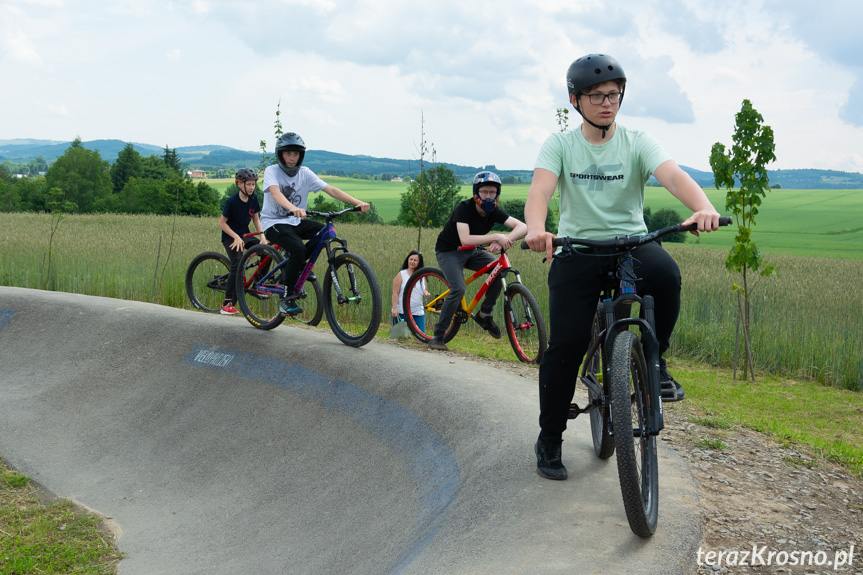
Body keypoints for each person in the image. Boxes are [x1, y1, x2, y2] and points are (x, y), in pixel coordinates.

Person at [523, 54, 722, 481]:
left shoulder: (636, 141)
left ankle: (657, 358)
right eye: (596, 96)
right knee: (567, 345)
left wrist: (703, 207)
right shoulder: (560, 144)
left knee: (666, 275)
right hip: (577, 247)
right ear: (575, 100)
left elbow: (672, 176)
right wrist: (538, 230)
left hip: (631, 243)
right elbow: (540, 191)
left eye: (613, 94)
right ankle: (550, 437)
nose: (606, 103)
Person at [260, 132, 370, 315]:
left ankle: (299, 267)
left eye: (296, 154)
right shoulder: (272, 171)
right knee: (298, 249)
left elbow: (331, 190)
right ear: (280, 154)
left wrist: (357, 202)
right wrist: (293, 207)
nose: (292, 158)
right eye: (288, 153)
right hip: (273, 223)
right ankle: (286, 300)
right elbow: (275, 193)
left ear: (301, 155)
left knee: (324, 231)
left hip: (295, 221)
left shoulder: (305, 173)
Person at [428, 171, 528, 351]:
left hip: (472, 251)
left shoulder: (494, 212)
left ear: (497, 194)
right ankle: (437, 336)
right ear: (476, 193)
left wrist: (506, 239)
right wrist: (496, 236)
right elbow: (465, 239)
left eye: (492, 192)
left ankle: (485, 313)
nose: (488, 196)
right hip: (449, 251)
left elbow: (523, 227)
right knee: (458, 289)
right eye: (484, 192)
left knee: (499, 270)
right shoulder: (463, 208)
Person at [218, 168, 265, 315]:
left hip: (245, 234)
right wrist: (236, 237)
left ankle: (258, 284)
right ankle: (226, 303)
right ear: (239, 184)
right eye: (249, 184)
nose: (252, 187)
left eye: (253, 184)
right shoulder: (232, 201)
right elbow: (222, 223)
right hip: (231, 236)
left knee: (266, 252)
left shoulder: (254, 198)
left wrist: (263, 235)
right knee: (237, 264)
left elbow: (256, 219)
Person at [391, 250, 428, 331]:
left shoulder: (422, 276)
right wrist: (394, 308)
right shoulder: (401, 274)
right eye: (411, 259)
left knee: (420, 338)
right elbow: (395, 293)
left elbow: (424, 290)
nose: (412, 262)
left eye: (415, 260)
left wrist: (426, 293)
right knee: (399, 337)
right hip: (401, 311)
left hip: (417, 312)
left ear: (419, 262)